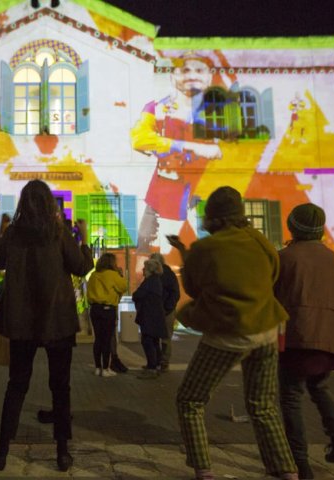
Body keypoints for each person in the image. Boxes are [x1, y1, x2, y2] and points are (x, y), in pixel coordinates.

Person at [168, 186, 298, 480]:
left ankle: (204, 469)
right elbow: (273, 275)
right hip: (267, 328)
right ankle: (286, 471)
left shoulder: (206, 249)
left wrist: (186, 253)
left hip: (228, 332)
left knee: (190, 400)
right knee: (263, 406)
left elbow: (193, 288)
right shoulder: (260, 241)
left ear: (212, 217)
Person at [0, 180, 93, 473]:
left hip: (21, 321)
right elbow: (81, 267)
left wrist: (2, 234)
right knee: (60, 386)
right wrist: (84, 239)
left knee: (16, 384)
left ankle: (2, 451)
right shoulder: (58, 233)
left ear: (23, 203)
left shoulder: (14, 234)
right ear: (49, 203)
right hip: (57, 320)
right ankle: (62, 452)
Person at [275, 203, 334, 479]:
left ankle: (299, 461)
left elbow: (270, 289)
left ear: (292, 226)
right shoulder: (333, 258)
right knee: (320, 387)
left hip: (297, 336)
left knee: (291, 397)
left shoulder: (285, 257)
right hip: (329, 335)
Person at [131, 53, 223, 253]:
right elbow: (139, 138)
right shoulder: (155, 108)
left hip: (205, 192)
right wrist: (189, 146)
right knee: (148, 247)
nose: (192, 75)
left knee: (209, 248)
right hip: (165, 192)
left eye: (199, 70)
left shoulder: (219, 112)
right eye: (185, 70)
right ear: (173, 76)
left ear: (208, 77)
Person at [86, 253, 127, 377]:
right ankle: (105, 368)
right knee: (107, 339)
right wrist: (119, 275)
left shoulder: (94, 275)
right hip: (108, 310)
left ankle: (97, 367)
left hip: (95, 309)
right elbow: (123, 287)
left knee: (98, 339)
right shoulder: (113, 275)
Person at [132, 259, 166, 380]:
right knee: (154, 341)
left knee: (148, 341)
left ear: (150, 270)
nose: (143, 270)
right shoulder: (156, 281)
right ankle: (156, 365)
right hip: (154, 316)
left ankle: (152, 368)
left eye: (145, 268)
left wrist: (135, 295)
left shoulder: (150, 282)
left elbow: (137, 295)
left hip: (149, 316)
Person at [150, 253, 181, 371]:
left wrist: (167, 308)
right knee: (164, 337)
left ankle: (163, 362)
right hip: (162, 310)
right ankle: (160, 361)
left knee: (165, 338)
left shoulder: (166, 275)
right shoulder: (160, 275)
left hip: (165, 311)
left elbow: (175, 294)